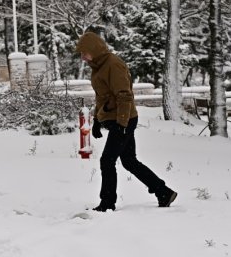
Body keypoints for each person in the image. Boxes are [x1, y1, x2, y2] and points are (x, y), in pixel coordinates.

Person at [76, 31, 177, 212]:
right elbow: (102, 96)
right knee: (129, 161)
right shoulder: (98, 66)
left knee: (107, 161)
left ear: (94, 50)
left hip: (123, 119)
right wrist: (98, 120)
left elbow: (124, 95)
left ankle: (107, 203)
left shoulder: (113, 65)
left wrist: (122, 125)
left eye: (85, 52)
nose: (82, 57)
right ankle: (163, 192)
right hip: (116, 119)